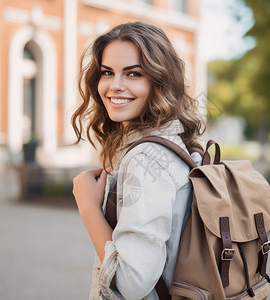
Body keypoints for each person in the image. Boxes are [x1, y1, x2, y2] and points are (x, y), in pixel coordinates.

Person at [71, 22, 205, 299]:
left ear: (160, 81)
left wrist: (88, 209)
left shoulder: (146, 160)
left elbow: (132, 282)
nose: (115, 86)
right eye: (108, 72)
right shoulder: (174, 145)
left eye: (133, 74)